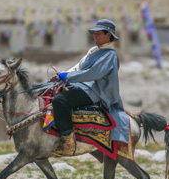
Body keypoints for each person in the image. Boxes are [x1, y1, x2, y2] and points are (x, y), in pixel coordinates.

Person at [49, 19, 129, 154]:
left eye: (98, 34)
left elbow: (92, 74)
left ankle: (68, 142)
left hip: (96, 91)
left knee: (60, 100)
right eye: (94, 33)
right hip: (83, 86)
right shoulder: (93, 51)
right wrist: (61, 76)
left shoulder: (110, 55)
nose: (95, 36)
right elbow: (78, 67)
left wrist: (66, 77)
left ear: (108, 35)